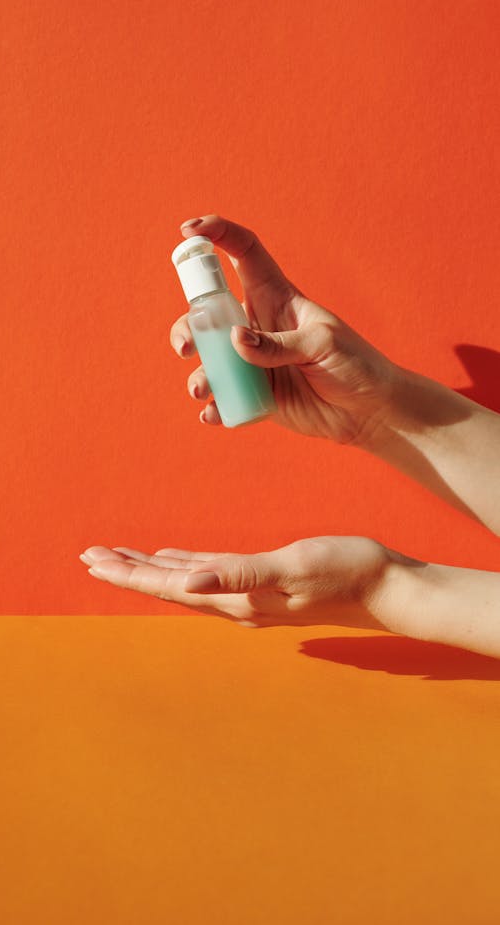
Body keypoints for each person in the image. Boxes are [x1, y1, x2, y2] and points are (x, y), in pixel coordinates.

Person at [80, 214, 500, 660]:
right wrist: (375, 412)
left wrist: (382, 589)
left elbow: (384, 589)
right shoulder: (213, 308)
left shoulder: (217, 306)